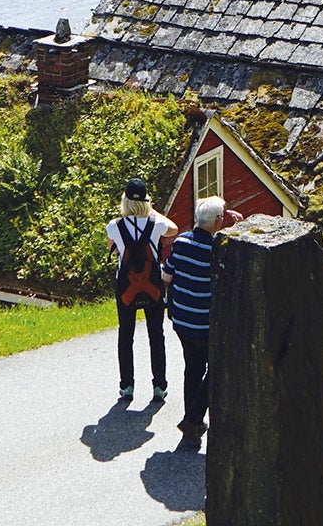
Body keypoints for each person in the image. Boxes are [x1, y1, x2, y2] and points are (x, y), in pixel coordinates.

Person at [107, 177, 176, 405]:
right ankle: (159, 386)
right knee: (156, 335)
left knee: (125, 336)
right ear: (146, 201)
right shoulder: (156, 224)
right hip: (153, 287)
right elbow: (173, 229)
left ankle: (127, 386)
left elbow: (113, 250)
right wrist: (152, 211)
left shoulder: (114, 226)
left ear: (125, 201)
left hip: (126, 288)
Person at [163, 196, 224, 448]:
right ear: (217, 221)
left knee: (193, 368)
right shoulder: (216, 250)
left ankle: (193, 424)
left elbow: (167, 275)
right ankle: (193, 418)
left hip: (182, 320)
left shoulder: (181, 242)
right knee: (217, 369)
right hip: (204, 324)